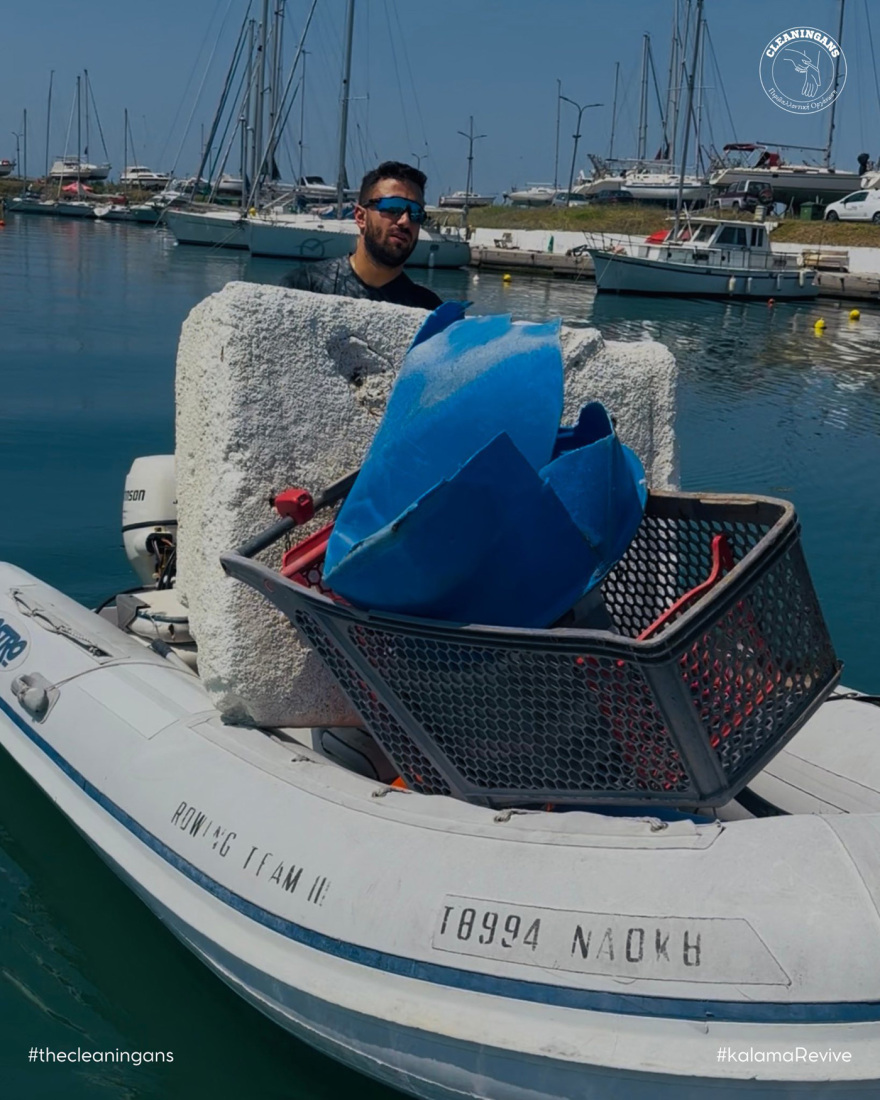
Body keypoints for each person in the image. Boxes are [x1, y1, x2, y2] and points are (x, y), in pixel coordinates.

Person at [280, 161, 442, 310]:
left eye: (416, 212)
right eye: (393, 207)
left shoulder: (428, 310)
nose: (405, 221)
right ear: (360, 217)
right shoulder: (305, 286)